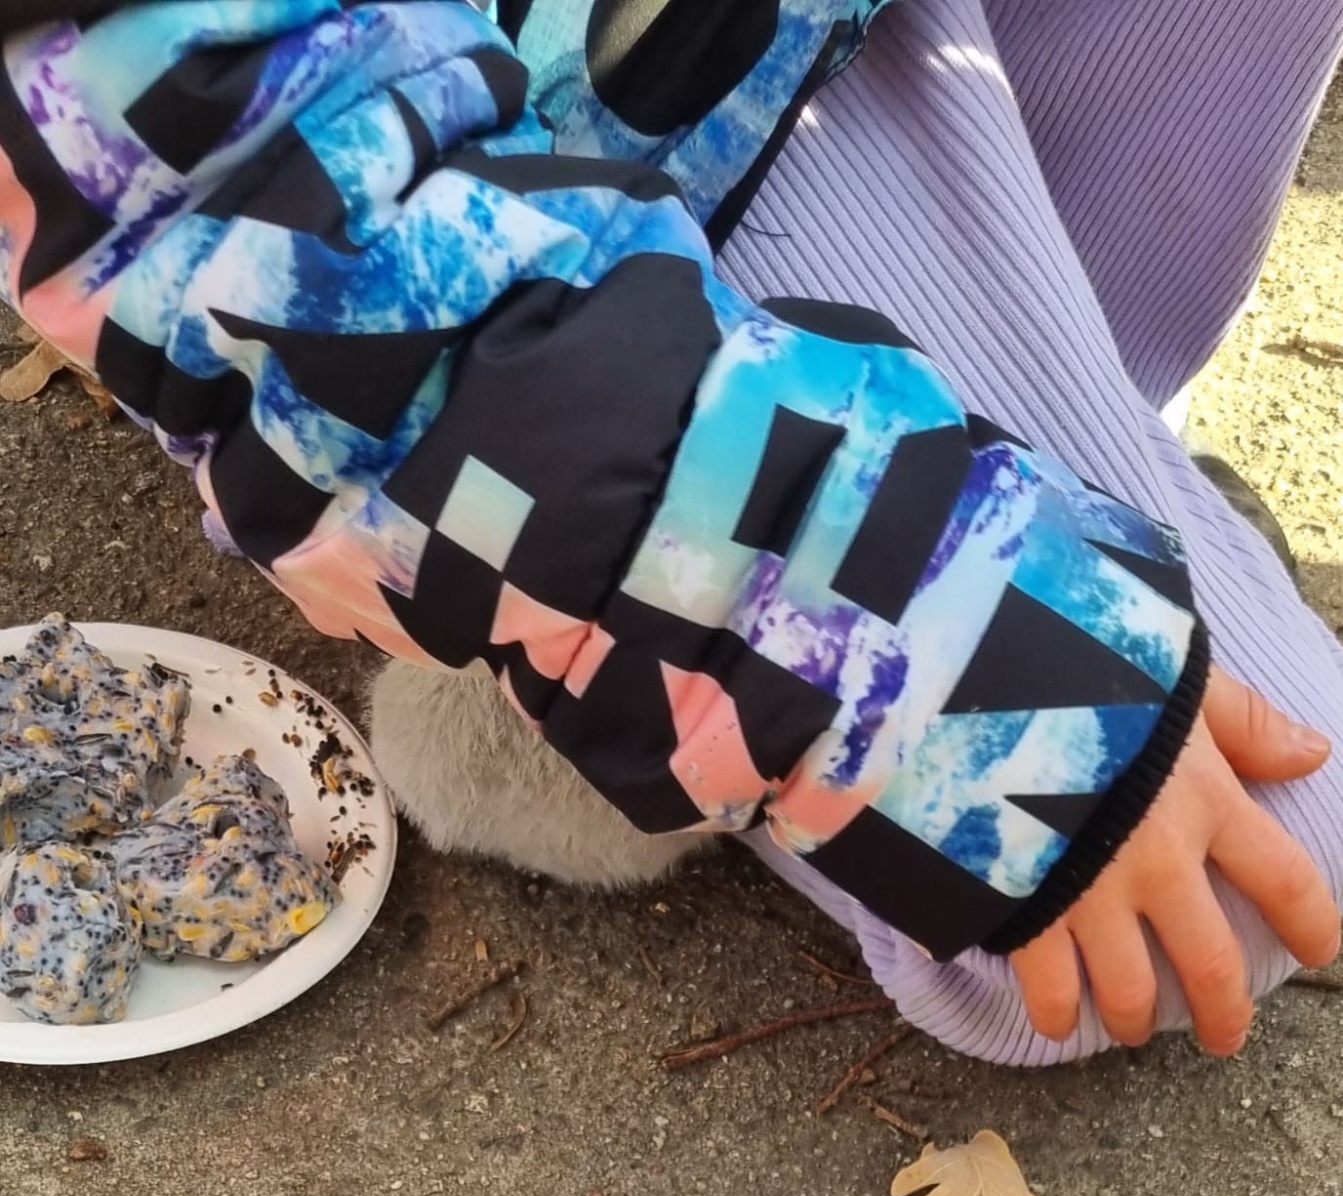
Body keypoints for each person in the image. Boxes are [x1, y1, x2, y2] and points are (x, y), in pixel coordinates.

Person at [3, 1, 1341, 1067]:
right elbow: (221, 164)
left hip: (800, 42)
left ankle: (1056, 418)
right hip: (536, 179)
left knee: (1206, 809)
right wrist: (896, 636)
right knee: (1243, 867)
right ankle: (545, 623)